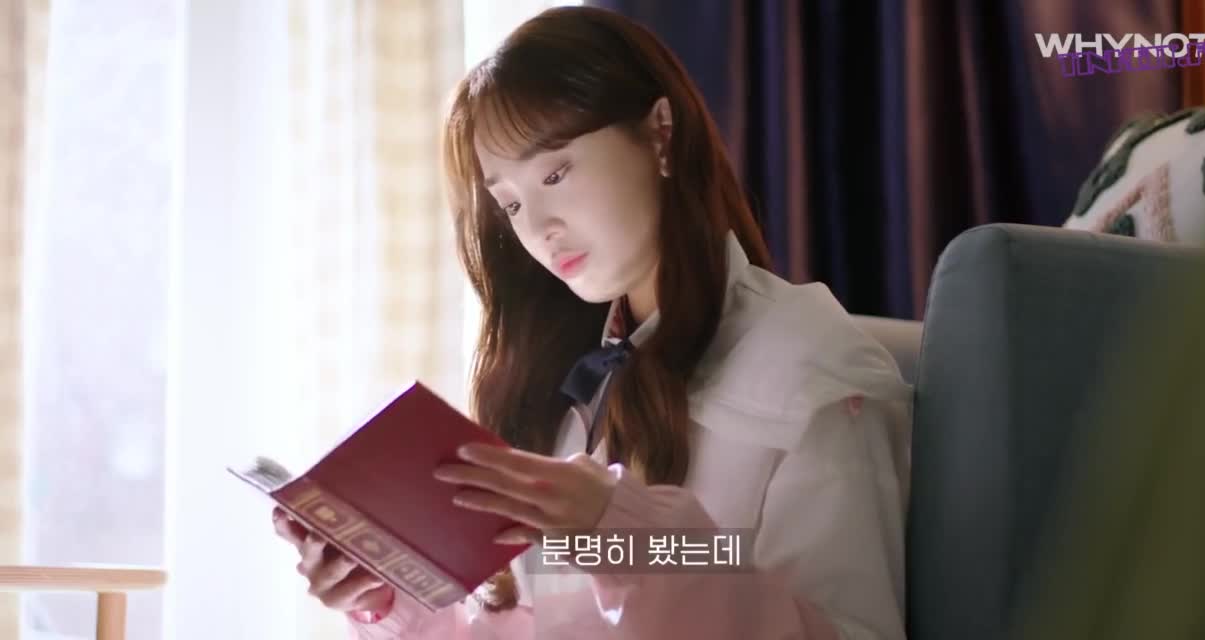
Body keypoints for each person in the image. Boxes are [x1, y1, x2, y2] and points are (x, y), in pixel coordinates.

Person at [272, 6, 912, 639]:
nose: (538, 227)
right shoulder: (572, 386)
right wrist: (394, 603)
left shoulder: (812, 372)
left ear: (661, 134)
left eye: (555, 173)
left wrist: (621, 535)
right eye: (510, 204)